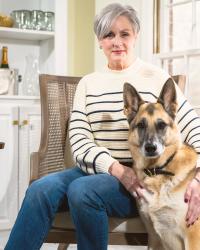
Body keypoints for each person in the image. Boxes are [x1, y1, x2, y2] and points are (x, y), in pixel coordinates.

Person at [5, 3, 200, 250]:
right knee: (39, 190)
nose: (117, 41)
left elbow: (195, 127)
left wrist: (198, 177)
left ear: (135, 36)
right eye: (109, 34)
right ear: (99, 40)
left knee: (83, 191)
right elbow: (79, 139)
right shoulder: (88, 83)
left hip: (144, 176)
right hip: (98, 169)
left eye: (124, 33)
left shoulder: (158, 77)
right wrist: (116, 169)